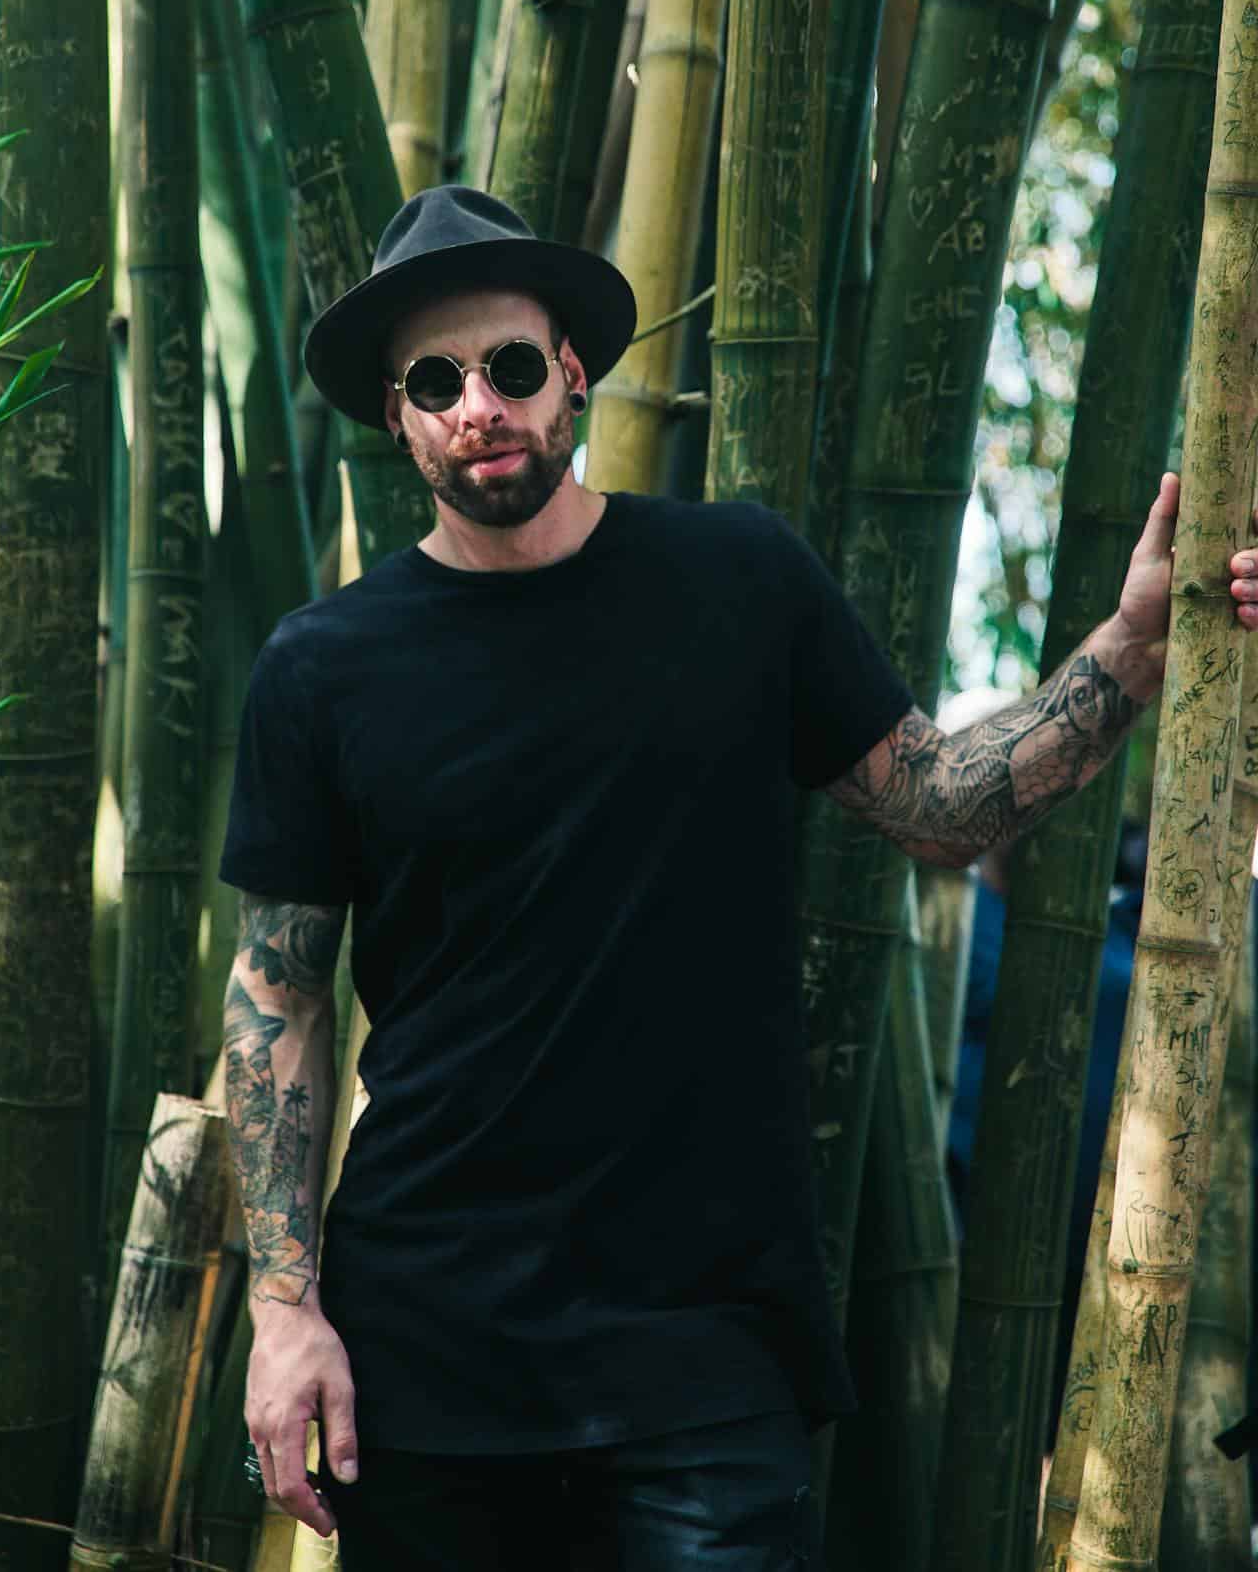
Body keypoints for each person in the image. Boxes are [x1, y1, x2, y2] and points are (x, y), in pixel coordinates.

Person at [218, 185, 1258, 1571]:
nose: (479, 406)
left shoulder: (737, 579)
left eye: (511, 365)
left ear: (571, 373)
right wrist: (285, 1313)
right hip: (431, 1344)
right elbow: (276, 999)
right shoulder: (319, 668)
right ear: (398, 419)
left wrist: (1126, 654)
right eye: (435, 382)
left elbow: (940, 804)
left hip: (704, 1347)